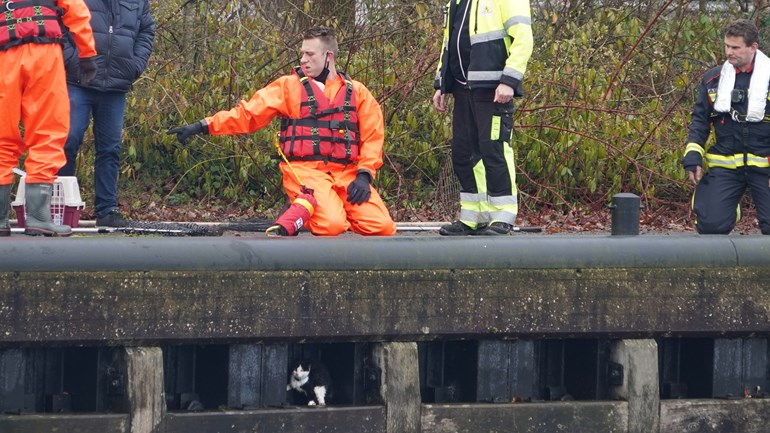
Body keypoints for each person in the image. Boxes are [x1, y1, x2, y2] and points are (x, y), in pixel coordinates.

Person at [168, 26, 396, 237]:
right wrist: (203, 125)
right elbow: (248, 114)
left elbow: (373, 136)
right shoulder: (288, 87)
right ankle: (304, 209)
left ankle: (319, 208)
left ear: (329, 56)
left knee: (382, 227)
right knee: (332, 225)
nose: (303, 59)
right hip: (305, 171)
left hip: (347, 174)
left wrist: (364, 175)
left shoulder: (357, 92)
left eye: (310, 54)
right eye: (302, 54)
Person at [432, 0, 534, 236]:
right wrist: (441, 83)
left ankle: (502, 216)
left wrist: (509, 80)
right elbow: (449, 45)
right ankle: (473, 217)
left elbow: (524, 38)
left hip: (493, 88)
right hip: (462, 89)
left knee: (493, 149)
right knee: (464, 153)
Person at [0, 0, 97, 237]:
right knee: (48, 131)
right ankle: (38, 218)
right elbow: (76, 10)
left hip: (3, 55)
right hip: (44, 54)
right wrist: (87, 54)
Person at [58, 0, 155, 228]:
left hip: (116, 86)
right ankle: (60, 207)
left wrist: (134, 65)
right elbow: (59, 24)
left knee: (110, 149)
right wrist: (71, 60)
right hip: (78, 80)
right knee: (68, 140)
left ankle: (107, 210)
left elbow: (146, 30)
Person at [682, 19, 770, 235]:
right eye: (726, 46)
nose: (729, 52)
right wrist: (692, 156)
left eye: (735, 47)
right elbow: (700, 120)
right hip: (727, 164)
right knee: (711, 226)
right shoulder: (713, 79)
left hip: (765, 166)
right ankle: (728, 207)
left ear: (753, 47)